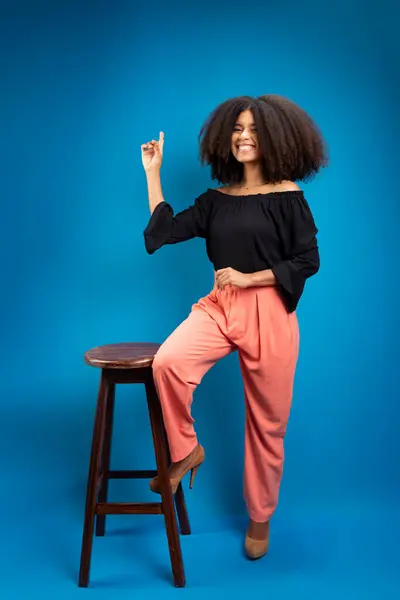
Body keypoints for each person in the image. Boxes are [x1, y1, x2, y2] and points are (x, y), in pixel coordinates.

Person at [141, 94, 328, 559]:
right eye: (238, 129)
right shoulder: (216, 201)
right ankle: (186, 450)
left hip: (268, 311)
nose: (244, 137)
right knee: (168, 362)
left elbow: (307, 261)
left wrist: (251, 276)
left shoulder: (288, 197)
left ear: (275, 140)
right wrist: (153, 173)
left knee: (267, 424)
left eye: (255, 130)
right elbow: (163, 233)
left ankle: (260, 517)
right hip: (220, 307)